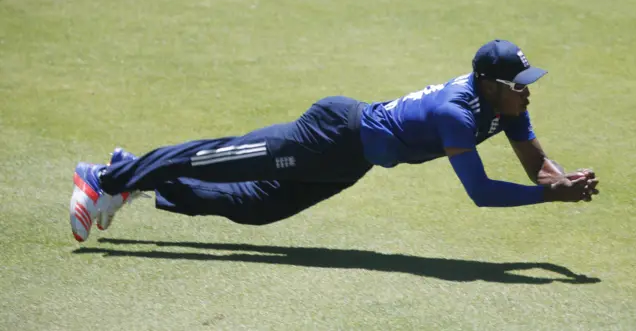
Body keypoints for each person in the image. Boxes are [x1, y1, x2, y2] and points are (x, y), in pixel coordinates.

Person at [70, 39, 600, 242]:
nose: (527, 96)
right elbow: (481, 192)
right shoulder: (457, 114)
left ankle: (140, 184)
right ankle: (105, 177)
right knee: (222, 159)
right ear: (490, 85)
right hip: (332, 133)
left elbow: (536, 164)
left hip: (355, 160)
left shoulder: (504, 108)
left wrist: (560, 179)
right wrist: (549, 195)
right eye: (518, 88)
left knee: (257, 210)